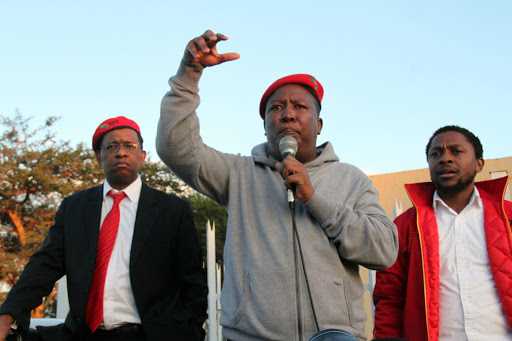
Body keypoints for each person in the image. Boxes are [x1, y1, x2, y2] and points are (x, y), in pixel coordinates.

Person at [156, 30, 398, 341]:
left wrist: (316, 200)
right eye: (276, 108)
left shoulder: (350, 179)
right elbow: (174, 146)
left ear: (319, 124)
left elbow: (385, 250)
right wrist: (189, 74)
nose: (287, 114)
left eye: (300, 106)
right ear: (265, 124)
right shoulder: (238, 173)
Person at [0, 116, 208, 341]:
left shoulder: (172, 211)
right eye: (111, 146)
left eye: (130, 145)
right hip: (86, 334)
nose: (121, 152)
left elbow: (193, 282)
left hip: (151, 334)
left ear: (143, 156)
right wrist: (8, 314)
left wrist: (191, 332)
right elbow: (44, 266)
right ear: (98, 156)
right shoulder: (75, 208)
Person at [373, 125, 512, 340]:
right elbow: (389, 297)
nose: (445, 159)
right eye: (435, 154)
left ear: (479, 164)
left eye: (456, 151)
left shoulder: (508, 216)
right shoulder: (405, 226)